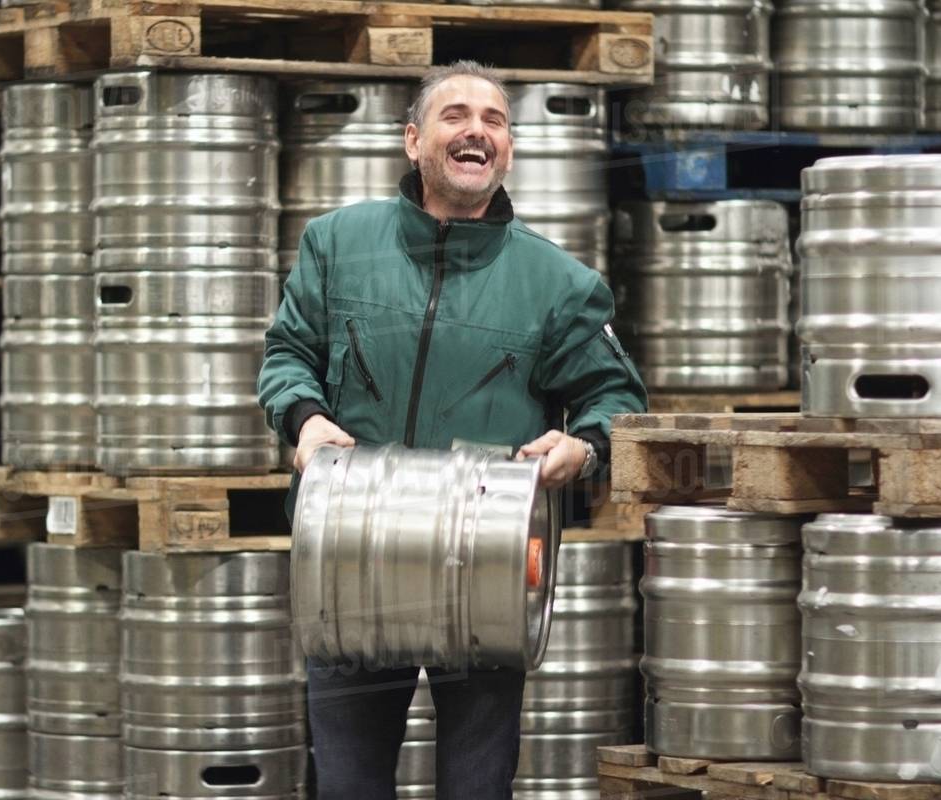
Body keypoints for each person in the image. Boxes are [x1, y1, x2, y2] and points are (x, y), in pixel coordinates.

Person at [257, 60, 648, 800]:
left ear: (508, 149)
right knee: (349, 785)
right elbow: (288, 353)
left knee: (476, 785)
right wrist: (304, 422)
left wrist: (583, 446)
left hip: (487, 570)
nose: (477, 130)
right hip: (349, 561)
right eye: (455, 115)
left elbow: (615, 397)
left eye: (495, 120)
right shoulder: (337, 245)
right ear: (413, 140)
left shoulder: (556, 282)